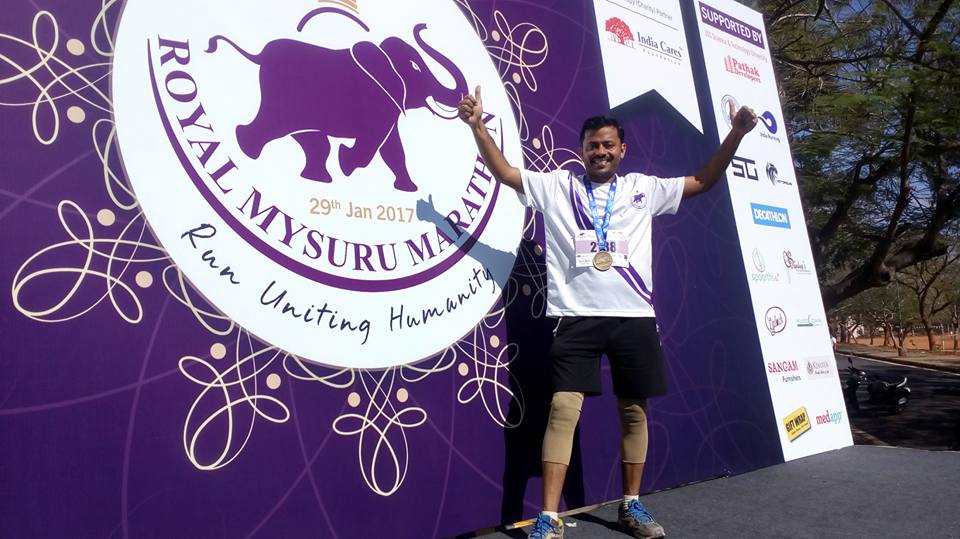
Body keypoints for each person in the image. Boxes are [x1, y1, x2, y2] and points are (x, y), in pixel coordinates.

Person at [458, 86, 757, 539]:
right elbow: (503, 172)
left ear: (622, 150)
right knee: (562, 410)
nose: (600, 152)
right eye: (593, 145)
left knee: (633, 412)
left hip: (633, 318)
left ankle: (630, 506)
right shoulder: (557, 185)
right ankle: (549, 517)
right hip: (575, 318)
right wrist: (477, 125)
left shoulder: (643, 189)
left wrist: (735, 135)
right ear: (582, 150)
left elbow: (703, 180)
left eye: (608, 145)